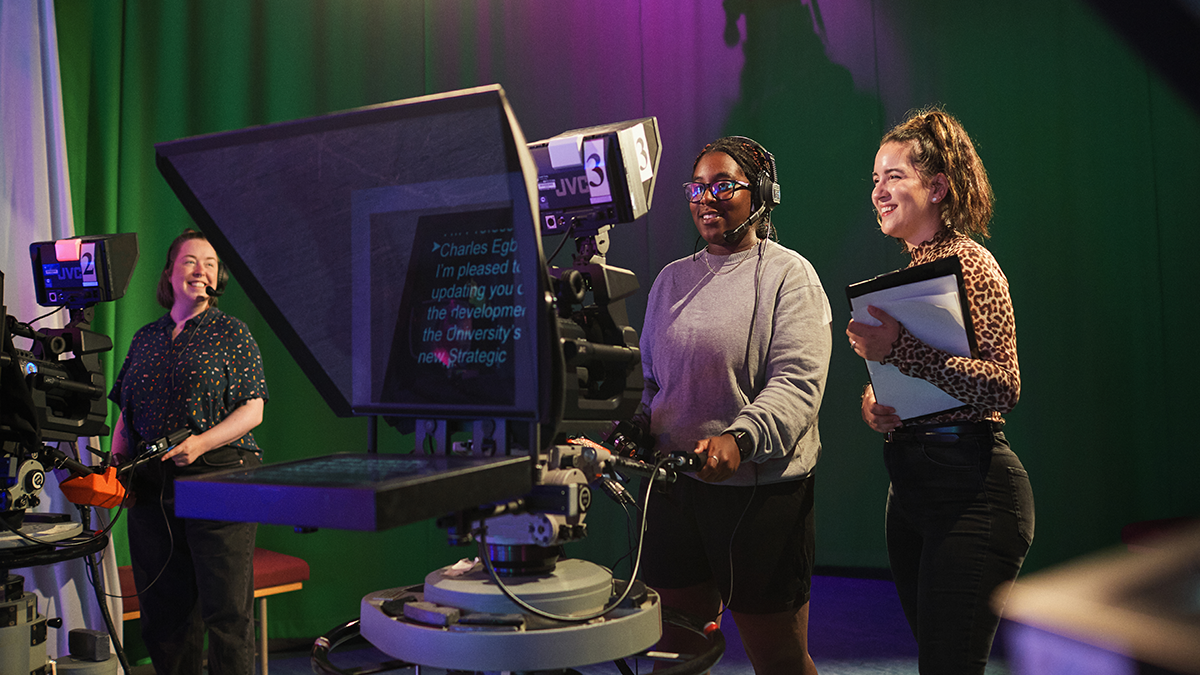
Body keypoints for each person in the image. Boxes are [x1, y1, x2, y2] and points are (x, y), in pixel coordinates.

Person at [846, 108, 1034, 675]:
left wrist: (899, 351)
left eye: (894, 176)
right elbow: (933, 378)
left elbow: (1004, 384)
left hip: (973, 490)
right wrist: (878, 404)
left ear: (938, 186)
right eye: (875, 179)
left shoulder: (971, 265)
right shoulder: (914, 272)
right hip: (913, 490)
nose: (879, 191)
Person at [636, 136, 831, 675]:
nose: (707, 198)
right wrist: (634, 424)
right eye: (697, 188)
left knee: (779, 659)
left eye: (724, 185)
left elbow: (797, 384)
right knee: (674, 653)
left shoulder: (791, 276)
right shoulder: (670, 280)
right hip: (674, 489)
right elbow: (651, 382)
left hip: (761, 497)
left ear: (761, 195)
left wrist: (738, 440)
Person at [109, 229, 268, 675]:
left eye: (211, 264)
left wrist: (199, 443)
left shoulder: (231, 333)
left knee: (226, 614)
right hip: (151, 487)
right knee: (164, 616)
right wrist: (113, 465)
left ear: (219, 279)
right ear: (169, 273)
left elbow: (252, 408)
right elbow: (126, 413)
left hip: (220, 479)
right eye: (190, 261)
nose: (201, 270)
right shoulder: (145, 338)